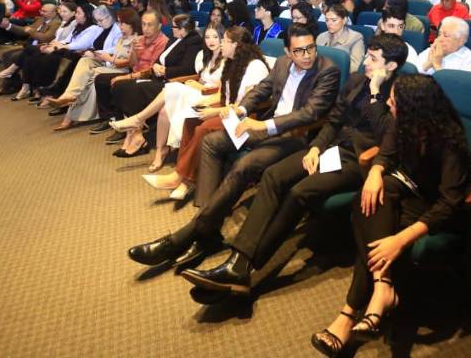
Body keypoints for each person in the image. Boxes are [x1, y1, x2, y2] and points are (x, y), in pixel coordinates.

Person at [173, 34, 407, 295]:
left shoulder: (401, 92)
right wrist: (317, 147)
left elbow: (388, 134)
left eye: (373, 59)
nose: (366, 62)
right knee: (273, 176)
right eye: (368, 56)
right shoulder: (355, 81)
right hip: (330, 149)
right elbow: (334, 121)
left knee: (298, 192)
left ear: (391, 66)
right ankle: (237, 262)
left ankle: (248, 265)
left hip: (359, 159)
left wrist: (375, 94)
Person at [127, 25, 345, 273]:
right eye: (299, 51)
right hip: (264, 124)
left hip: (295, 136)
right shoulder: (283, 63)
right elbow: (262, 89)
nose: (306, 55)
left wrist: (263, 125)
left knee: (245, 165)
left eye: (310, 48)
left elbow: (311, 113)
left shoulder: (328, 71)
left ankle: (193, 232)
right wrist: (241, 109)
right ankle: (207, 228)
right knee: (211, 142)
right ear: (288, 51)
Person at [310, 74, 471, 355]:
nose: (387, 102)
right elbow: (385, 154)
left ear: (413, 108)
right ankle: (382, 287)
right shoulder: (404, 122)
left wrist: (400, 241)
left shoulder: (449, 143)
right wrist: (374, 171)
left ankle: (347, 315)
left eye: (394, 101)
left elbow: (449, 204)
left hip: (435, 207)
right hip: (406, 188)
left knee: (382, 237)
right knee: (371, 196)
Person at [138, 26, 271, 199]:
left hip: (244, 118)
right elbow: (224, 96)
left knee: (204, 128)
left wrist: (213, 112)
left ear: (237, 45)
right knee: (190, 119)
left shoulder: (255, 67)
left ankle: (181, 178)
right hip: (226, 111)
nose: (221, 44)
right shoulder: (231, 62)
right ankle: (185, 180)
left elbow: (246, 105)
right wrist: (206, 105)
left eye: (225, 41)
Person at [110, 23, 227, 173]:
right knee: (164, 110)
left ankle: (138, 119)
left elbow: (223, 89)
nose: (211, 41)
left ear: (223, 39)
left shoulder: (227, 59)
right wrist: (195, 84)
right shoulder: (204, 56)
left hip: (209, 96)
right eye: (208, 37)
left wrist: (199, 86)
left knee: (172, 87)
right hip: (196, 90)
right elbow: (200, 77)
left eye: (215, 37)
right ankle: (160, 151)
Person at [108, 13, 204, 158]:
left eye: (174, 27)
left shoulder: (193, 41)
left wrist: (165, 70)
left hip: (173, 83)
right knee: (121, 86)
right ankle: (134, 133)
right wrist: (157, 66)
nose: (171, 29)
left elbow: (188, 68)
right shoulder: (174, 39)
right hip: (159, 77)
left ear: (183, 29)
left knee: (136, 88)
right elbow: (159, 59)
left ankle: (135, 134)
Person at [49, 8, 140, 131]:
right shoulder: (121, 38)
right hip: (110, 64)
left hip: (121, 69)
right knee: (84, 61)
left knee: (91, 76)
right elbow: (111, 53)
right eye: (119, 22)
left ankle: (70, 113)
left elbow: (129, 63)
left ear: (131, 24)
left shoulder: (136, 40)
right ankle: (69, 95)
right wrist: (100, 55)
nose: (119, 25)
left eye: (122, 23)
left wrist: (108, 58)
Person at [0, 1, 60, 97]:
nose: (41, 13)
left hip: (41, 49)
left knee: (13, 57)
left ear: (54, 13)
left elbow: (46, 38)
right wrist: (9, 26)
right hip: (29, 47)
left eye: (44, 11)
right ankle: (13, 82)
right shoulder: (41, 19)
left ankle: (9, 85)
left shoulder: (56, 23)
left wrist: (31, 31)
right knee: (6, 55)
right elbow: (24, 30)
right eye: (41, 10)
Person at [316, 4, 364, 72]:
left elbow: (355, 67)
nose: (329, 23)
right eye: (327, 20)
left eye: (334, 20)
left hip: (340, 77)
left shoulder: (356, 38)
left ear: (344, 20)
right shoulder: (321, 37)